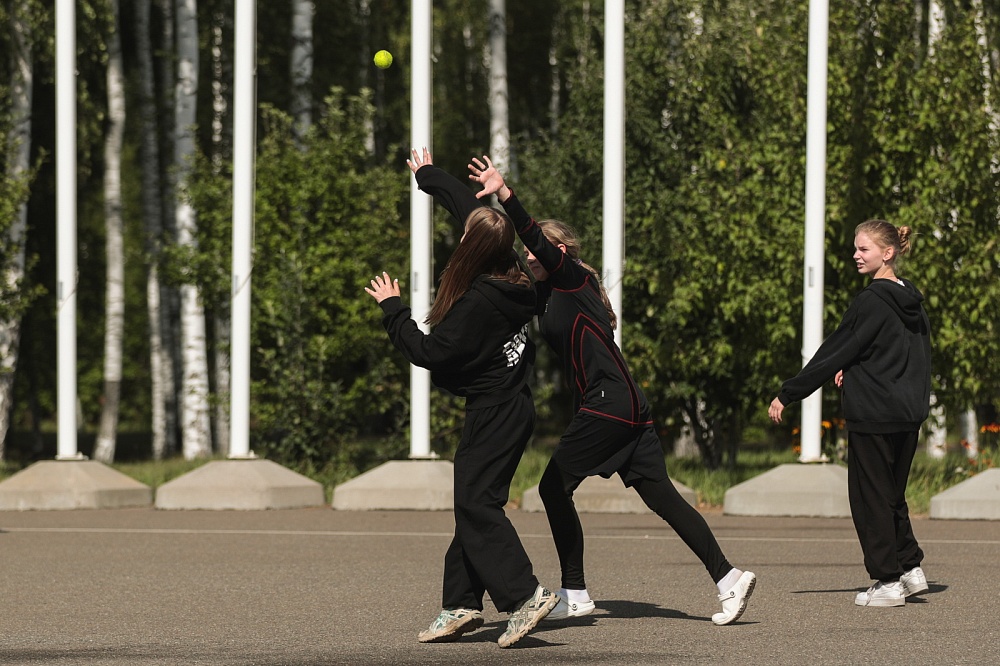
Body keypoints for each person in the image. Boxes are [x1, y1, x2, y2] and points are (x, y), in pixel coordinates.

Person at [464, 154, 756, 626]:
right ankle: (729, 578)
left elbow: (531, 235)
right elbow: (506, 256)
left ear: (560, 252)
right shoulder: (546, 295)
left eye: (538, 252)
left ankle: (575, 592)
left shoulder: (571, 278)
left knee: (553, 488)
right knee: (663, 498)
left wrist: (504, 193)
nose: (530, 257)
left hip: (609, 405)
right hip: (625, 405)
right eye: (529, 254)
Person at [364, 151, 559, 648]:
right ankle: (461, 603)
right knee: (474, 505)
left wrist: (393, 310)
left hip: (494, 413)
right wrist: (428, 175)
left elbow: (429, 352)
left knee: (476, 504)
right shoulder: (512, 271)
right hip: (513, 407)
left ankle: (526, 595)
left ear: (473, 249)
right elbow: (465, 207)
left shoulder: (478, 306)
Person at [768, 219, 931, 608]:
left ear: (887, 253)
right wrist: (855, 367)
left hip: (873, 414)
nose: (856, 255)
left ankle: (888, 582)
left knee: (870, 499)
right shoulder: (911, 300)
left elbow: (835, 350)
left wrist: (789, 393)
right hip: (907, 414)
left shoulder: (871, 300)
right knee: (891, 494)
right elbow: (900, 353)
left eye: (863, 249)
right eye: (856, 248)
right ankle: (910, 569)